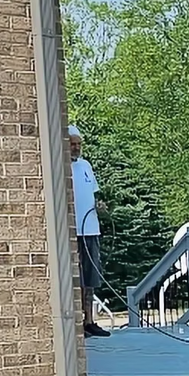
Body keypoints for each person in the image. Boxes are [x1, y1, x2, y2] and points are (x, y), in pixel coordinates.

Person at [68, 126, 109, 338]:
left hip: (91, 228)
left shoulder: (85, 166)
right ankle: (78, 320)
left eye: (78, 144)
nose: (76, 148)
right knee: (77, 277)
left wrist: (99, 206)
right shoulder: (62, 167)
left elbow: (92, 193)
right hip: (73, 231)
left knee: (91, 277)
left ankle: (90, 320)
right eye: (72, 144)